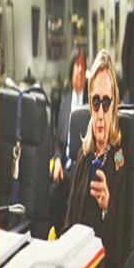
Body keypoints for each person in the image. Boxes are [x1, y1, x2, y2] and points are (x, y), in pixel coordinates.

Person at [64, 50, 127, 268]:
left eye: (106, 102)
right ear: (90, 105)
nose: (100, 114)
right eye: (96, 102)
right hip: (73, 265)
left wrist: (107, 206)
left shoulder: (121, 161)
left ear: (114, 106)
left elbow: (122, 247)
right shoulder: (83, 156)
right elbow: (69, 221)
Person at [50, 46, 87, 231]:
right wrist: (57, 161)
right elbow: (58, 142)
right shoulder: (64, 103)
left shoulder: (90, 103)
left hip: (81, 169)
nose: (80, 70)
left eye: (83, 65)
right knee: (52, 192)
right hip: (64, 168)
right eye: (77, 65)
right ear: (71, 70)